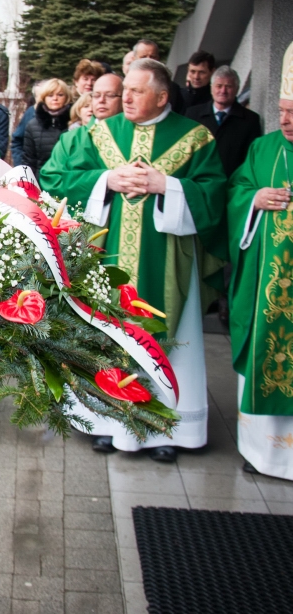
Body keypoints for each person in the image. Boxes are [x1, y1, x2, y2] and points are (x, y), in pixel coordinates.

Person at [40, 58, 226, 463]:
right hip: (107, 263)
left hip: (169, 265)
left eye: (136, 91)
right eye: (124, 90)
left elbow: (215, 195)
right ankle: (106, 423)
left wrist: (170, 186)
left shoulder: (194, 138)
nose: (125, 98)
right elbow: (55, 177)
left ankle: (166, 430)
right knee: (107, 336)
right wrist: (105, 181)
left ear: (162, 96)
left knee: (171, 340)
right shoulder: (98, 132)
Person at [226, 40, 293, 481]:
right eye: (283, 110)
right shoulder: (264, 148)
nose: (285, 120)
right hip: (268, 287)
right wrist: (253, 199)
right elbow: (234, 191)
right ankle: (261, 454)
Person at [185, 65, 262, 178]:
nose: (223, 91)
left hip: (233, 185)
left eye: (228, 86)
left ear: (236, 89)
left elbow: (252, 159)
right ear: (211, 88)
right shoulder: (192, 114)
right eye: (219, 86)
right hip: (199, 183)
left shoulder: (250, 120)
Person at [23, 78, 72, 179]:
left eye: (60, 95)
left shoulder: (74, 125)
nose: (55, 98)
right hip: (41, 184)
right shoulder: (32, 126)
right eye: (50, 95)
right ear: (44, 98)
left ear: (67, 97)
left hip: (67, 183)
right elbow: (29, 162)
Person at [133, 40, 185, 113]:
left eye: (152, 56)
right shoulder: (124, 86)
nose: (149, 60)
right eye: (143, 57)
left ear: (158, 59)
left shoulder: (172, 88)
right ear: (135, 59)